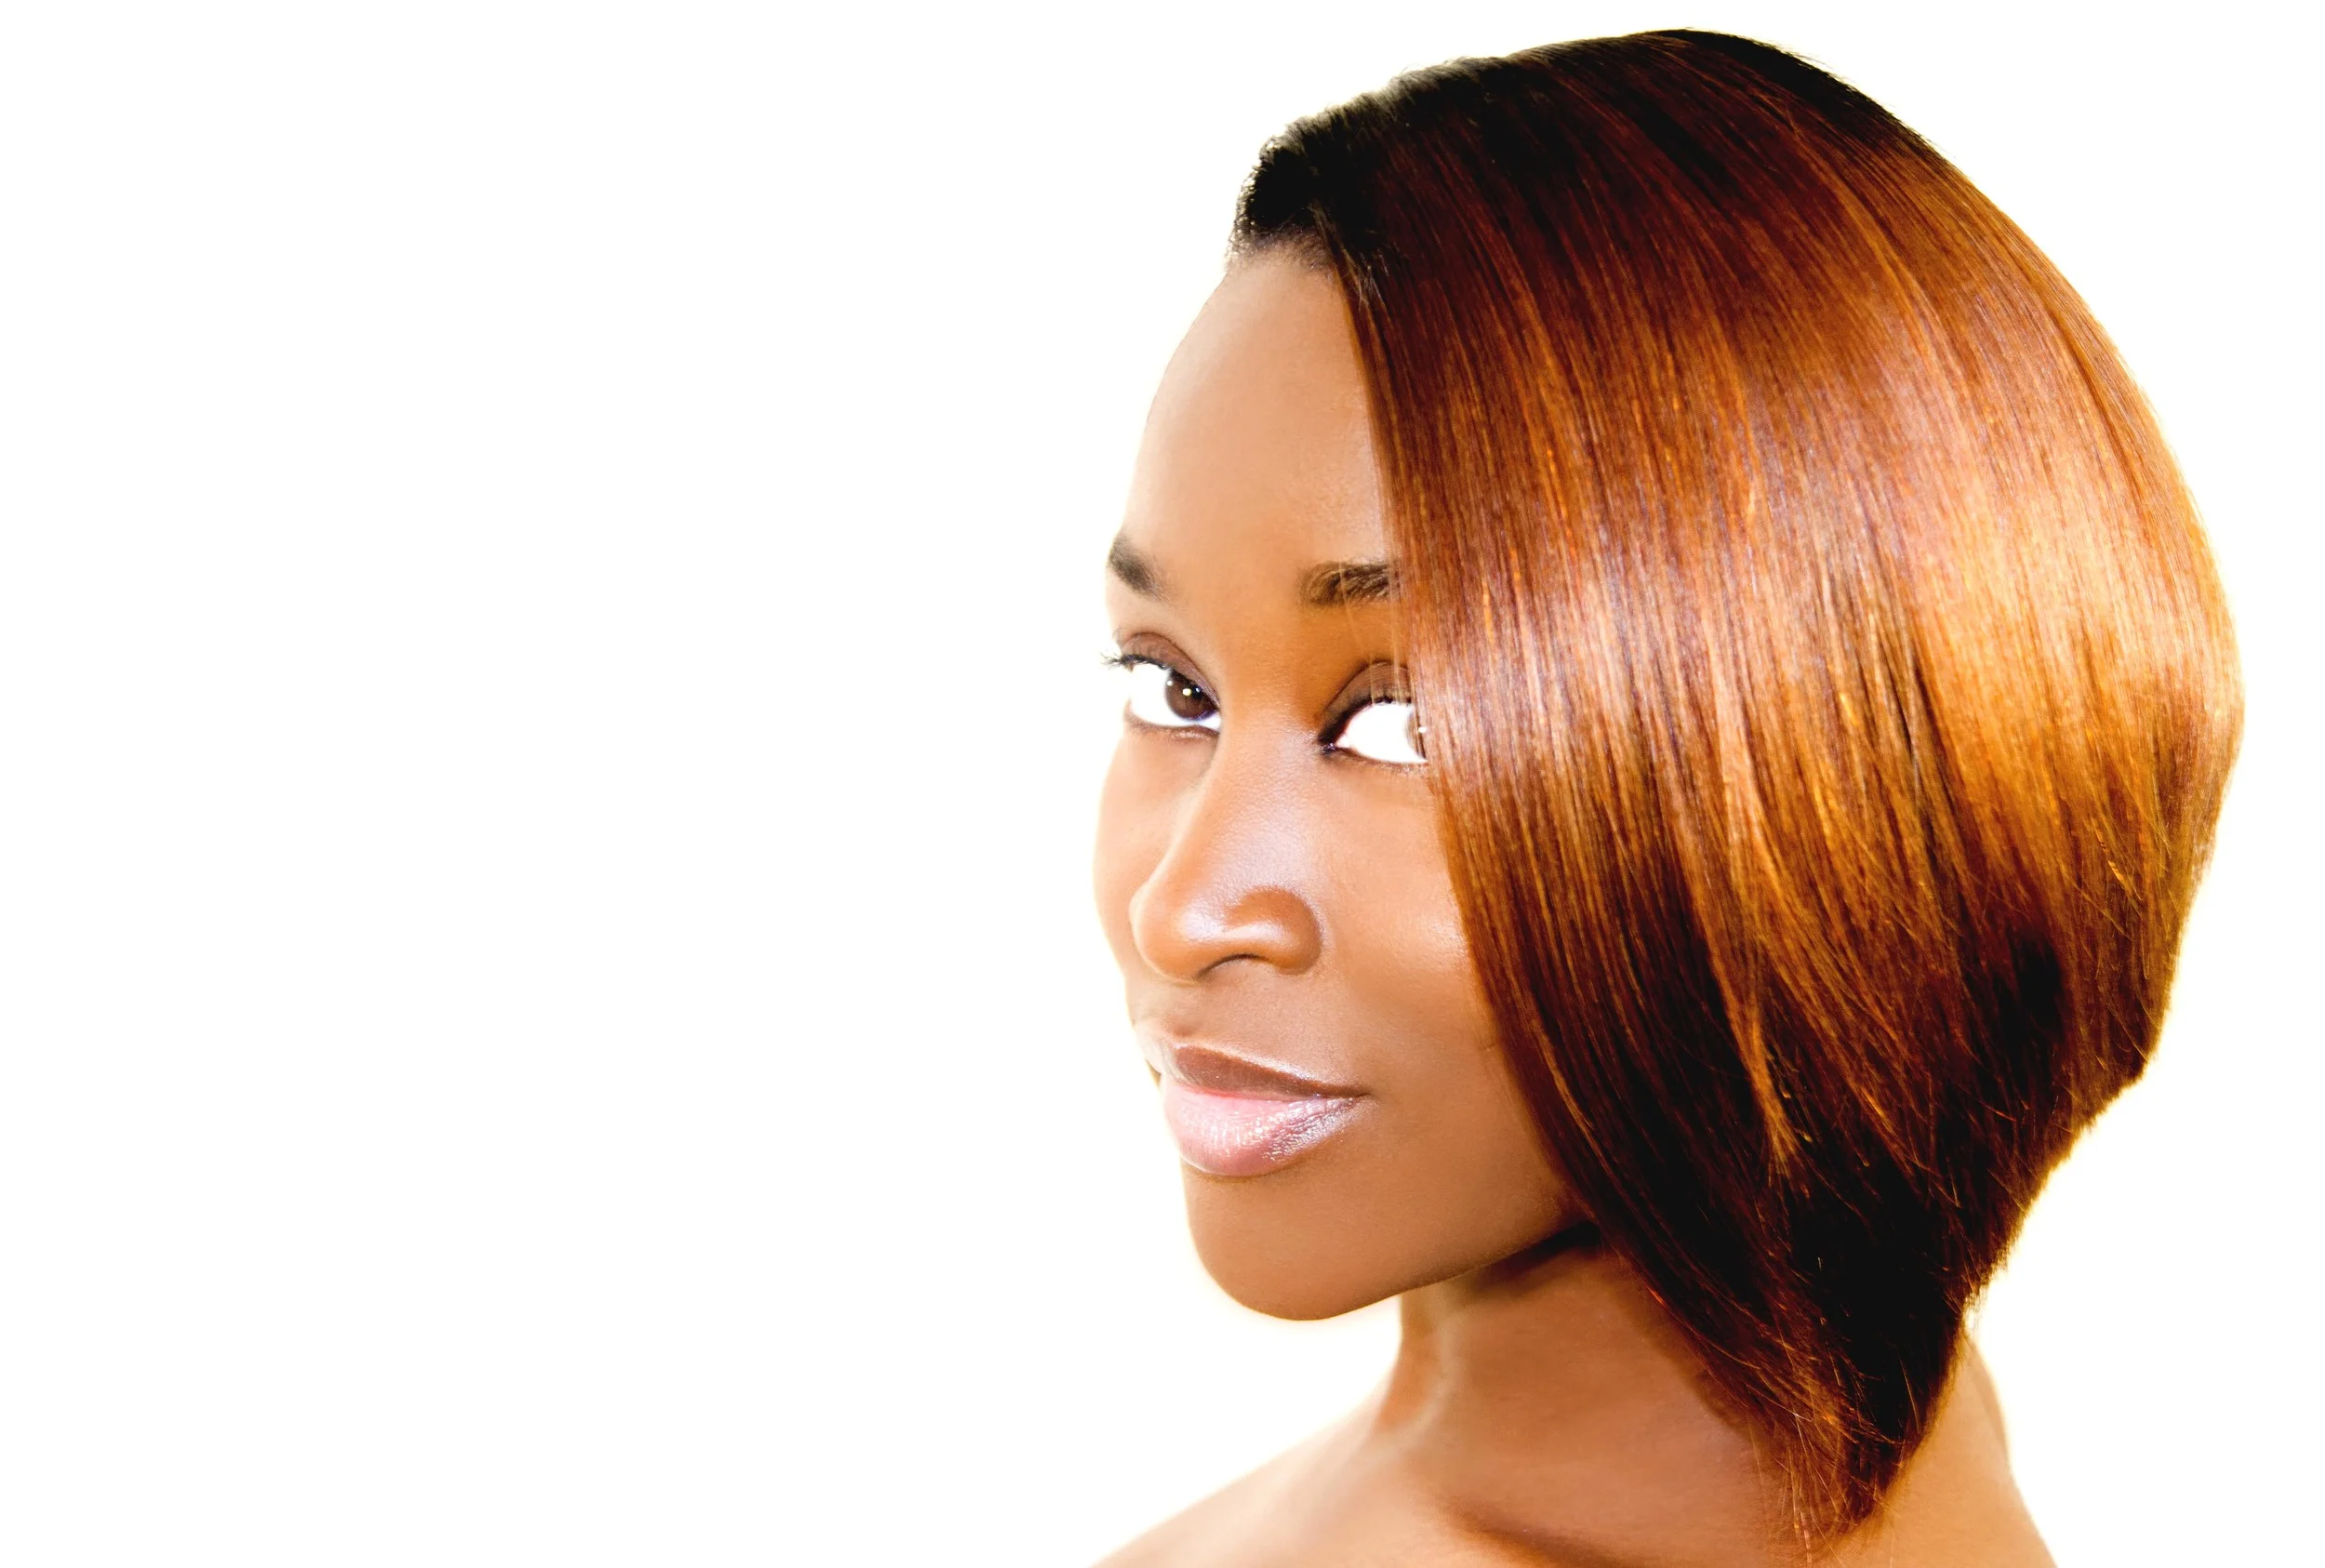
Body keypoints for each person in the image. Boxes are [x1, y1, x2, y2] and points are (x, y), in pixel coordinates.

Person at [1088, 29, 2240, 1568]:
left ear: (1836, 792)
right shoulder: (1906, 1404)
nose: (1179, 908)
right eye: (1172, 688)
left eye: (1405, 722)